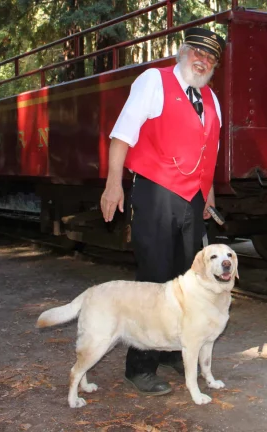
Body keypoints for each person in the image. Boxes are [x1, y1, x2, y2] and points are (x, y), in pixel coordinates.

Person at [99, 27, 225, 396]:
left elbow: (208, 156)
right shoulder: (154, 80)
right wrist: (112, 185)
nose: (203, 61)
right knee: (154, 282)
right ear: (182, 53)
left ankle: (173, 349)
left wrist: (209, 197)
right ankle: (139, 368)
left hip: (194, 199)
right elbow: (122, 134)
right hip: (155, 193)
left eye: (211, 58)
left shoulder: (211, 99)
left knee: (188, 283)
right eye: (197, 53)